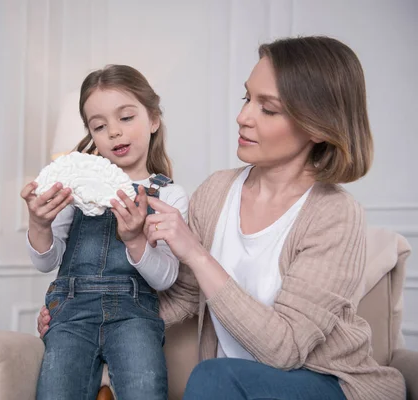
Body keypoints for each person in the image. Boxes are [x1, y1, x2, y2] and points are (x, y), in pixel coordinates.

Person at [38, 36, 406, 400]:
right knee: (216, 378)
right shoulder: (217, 191)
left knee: (214, 377)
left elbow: (285, 350)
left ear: (317, 126)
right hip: (231, 387)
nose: (243, 117)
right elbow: (180, 297)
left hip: (328, 384)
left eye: (268, 108)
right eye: (247, 97)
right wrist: (83, 319)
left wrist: (197, 254)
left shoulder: (336, 214)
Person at [21, 64, 189, 400]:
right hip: (71, 311)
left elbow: (166, 277)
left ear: (153, 119)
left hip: (133, 315)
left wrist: (136, 240)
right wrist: (38, 224)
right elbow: (45, 262)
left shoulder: (168, 195)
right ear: (91, 133)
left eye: (126, 117)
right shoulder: (74, 189)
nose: (113, 132)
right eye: (100, 125)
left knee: (146, 391)